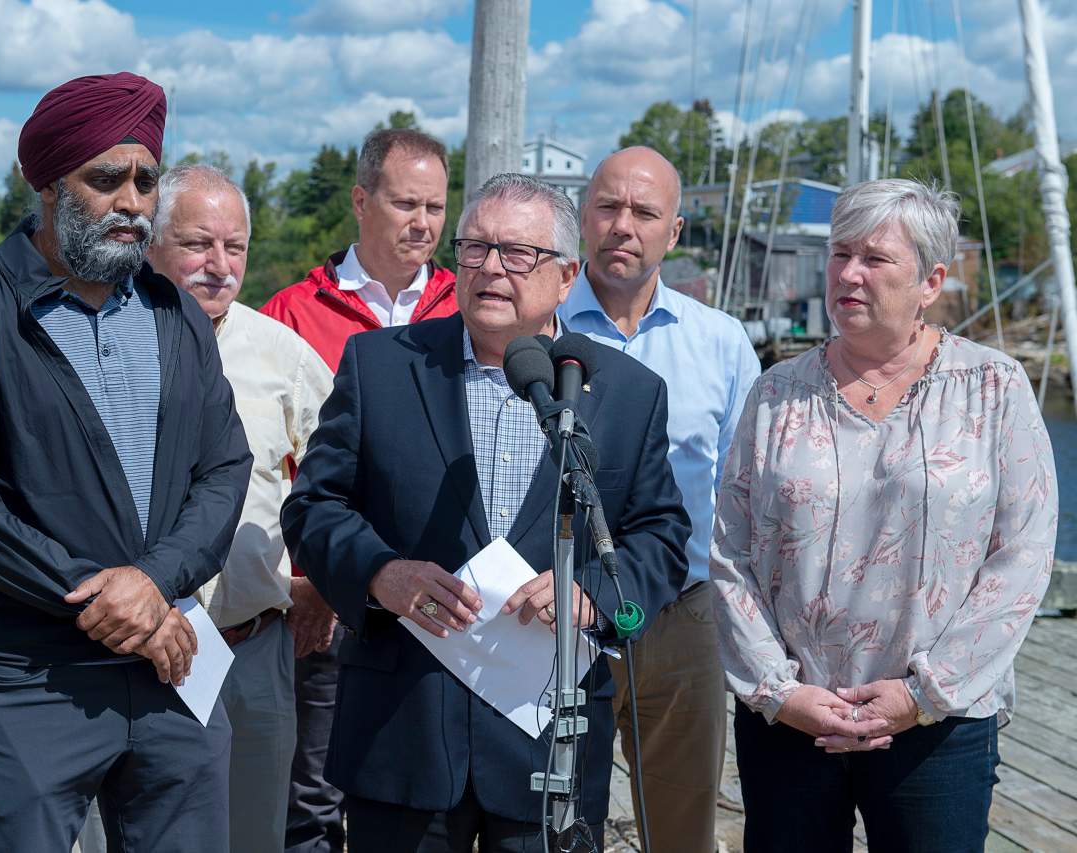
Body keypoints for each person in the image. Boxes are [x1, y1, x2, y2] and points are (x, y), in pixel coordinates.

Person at [281, 172, 691, 852]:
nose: (491, 268)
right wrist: (381, 574)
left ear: (565, 277)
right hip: (403, 735)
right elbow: (314, 508)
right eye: (474, 249)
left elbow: (661, 537)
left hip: (547, 747)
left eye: (517, 254)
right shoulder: (380, 366)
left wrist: (592, 595)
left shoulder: (626, 393)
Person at [0, 73, 252, 852]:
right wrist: (117, 606)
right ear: (49, 182)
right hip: (31, 676)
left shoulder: (175, 315)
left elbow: (225, 468)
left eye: (146, 179)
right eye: (106, 179)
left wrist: (155, 583)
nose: (132, 200)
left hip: (172, 668)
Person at [711, 178, 1058, 853]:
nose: (848, 273)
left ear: (930, 280)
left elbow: (1023, 556)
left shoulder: (993, 388)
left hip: (936, 725)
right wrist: (778, 691)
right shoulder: (776, 391)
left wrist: (922, 694)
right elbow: (729, 553)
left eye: (874, 258)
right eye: (840, 254)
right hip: (792, 719)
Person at [260, 127, 457, 853]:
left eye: (437, 206)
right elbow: (272, 465)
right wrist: (306, 579)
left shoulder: (467, 308)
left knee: (422, 804)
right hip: (329, 598)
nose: (424, 223)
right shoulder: (290, 312)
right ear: (360, 200)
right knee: (309, 798)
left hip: (442, 604)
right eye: (406, 202)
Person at [558, 146, 760, 851]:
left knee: (681, 827)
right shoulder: (537, 329)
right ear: (584, 216)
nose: (624, 224)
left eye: (645, 212)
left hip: (681, 614)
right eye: (609, 206)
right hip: (559, 612)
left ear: (674, 232)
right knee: (550, 817)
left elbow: (747, 492)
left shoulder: (724, 344)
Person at [147, 163, 334, 851]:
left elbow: (341, 473)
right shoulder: (112, 340)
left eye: (237, 247)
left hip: (253, 645)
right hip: (142, 651)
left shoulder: (281, 352)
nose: (220, 266)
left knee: (256, 834)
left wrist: (321, 578)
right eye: (199, 244)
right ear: (151, 242)